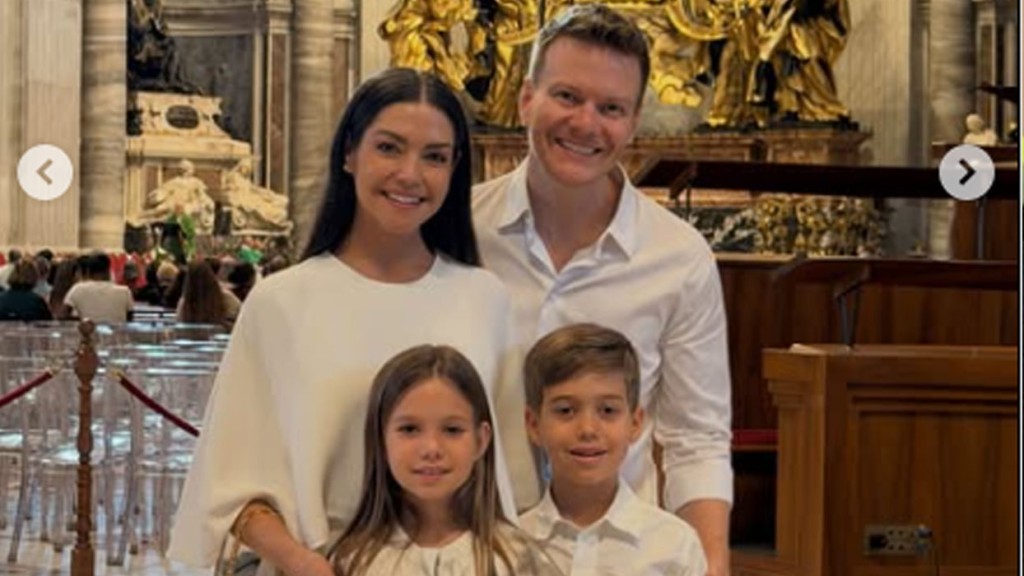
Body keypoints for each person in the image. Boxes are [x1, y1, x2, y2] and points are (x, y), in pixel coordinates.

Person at [169, 68, 536, 576]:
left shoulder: (484, 298)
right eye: (389, 148)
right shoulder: (282, 302)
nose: (410, 174)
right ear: (349, 153)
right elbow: (229, 488)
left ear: (454, 170)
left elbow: (511, 483)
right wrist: (300, 561)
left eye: (434, 157)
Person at [472, 5, 733, 575]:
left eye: (610, 108)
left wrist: (711, 563)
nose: (586, 124)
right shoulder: (462, 233)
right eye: (567, 96)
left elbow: (696, 438)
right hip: (478, 551)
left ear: (633, 123)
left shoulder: (679, 257)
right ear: (526, 99)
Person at [326, 344, 561, 575]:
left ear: (481, 440)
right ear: (380, 438)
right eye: (409, 429)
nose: (432, 449)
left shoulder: (516, 558)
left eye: (452, 430)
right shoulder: (352, 562)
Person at [520, 323, 707, 575]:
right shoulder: (507, 545)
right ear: (534, 425)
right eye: (565, 410)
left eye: (607, 410)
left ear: (635, 423)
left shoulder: (675, 546)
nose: (587, 429)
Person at [222, 158, 293, 234]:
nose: (247, 170)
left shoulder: (245, 180)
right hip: (244, 201)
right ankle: (270, 221)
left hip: (251, 199)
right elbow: (228, 192)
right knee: (270, 210)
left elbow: (254, 189)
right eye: (245, 167)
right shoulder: (233, 177)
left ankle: (274, 220)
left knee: (281, 208)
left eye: (248, 168)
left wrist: (268, 194)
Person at [63, 251, 134, 323]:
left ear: (88, 272)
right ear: (108, 271)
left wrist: (82, 322)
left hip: (88, 329)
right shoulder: (125, 291)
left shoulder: (77, 289)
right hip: (117, 330)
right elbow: (130, 319)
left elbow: (64, 315)